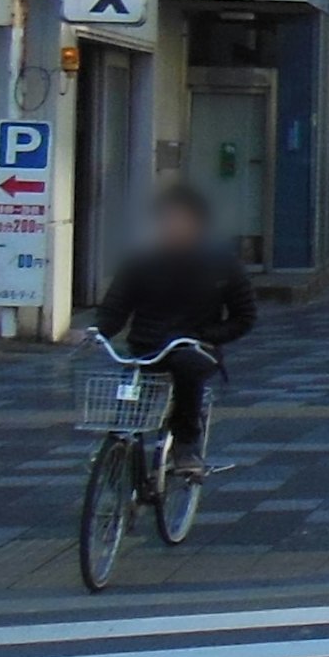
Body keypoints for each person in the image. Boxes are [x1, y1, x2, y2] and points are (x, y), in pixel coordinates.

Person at [96, 183, 254, 473]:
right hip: (146, 347)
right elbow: (115, 308)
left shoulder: (221, 266)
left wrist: (206, 337)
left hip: (195, 348)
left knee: (186, 368)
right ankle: (118, 457)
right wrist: (96, 332)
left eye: (181, 220)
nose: (173, 226)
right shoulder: (141, 263)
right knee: (127, 399)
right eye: (167, 219)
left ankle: (186, 445)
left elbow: (244, 317)